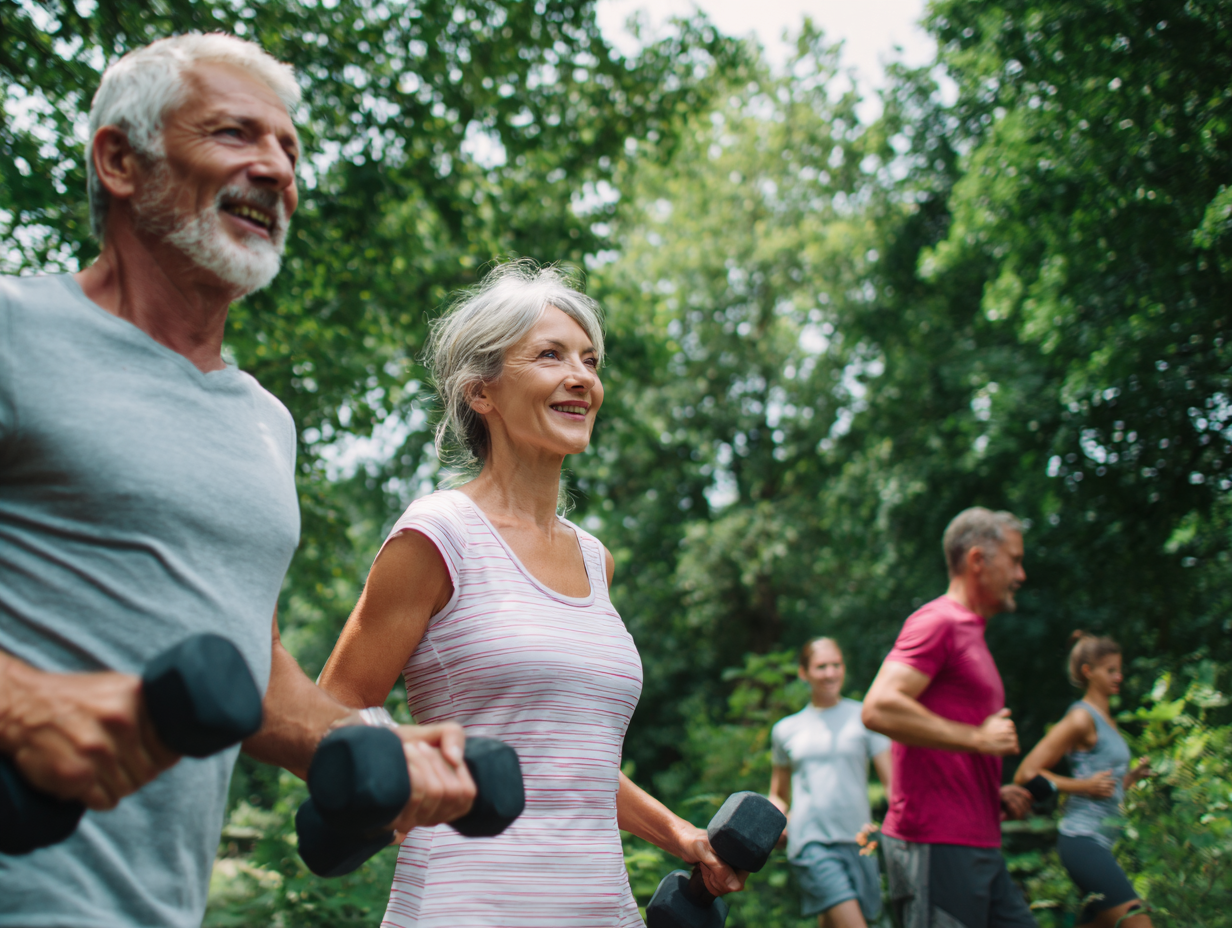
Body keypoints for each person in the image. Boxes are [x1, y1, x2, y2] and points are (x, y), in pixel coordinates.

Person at [0, 34, 473, 928]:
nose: (276, 171)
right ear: (120, 160)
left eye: (290, 152)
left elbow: (249, 674)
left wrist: (375, 747)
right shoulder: (16, 332)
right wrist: (19, 701)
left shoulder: (263, 423)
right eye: (235, 136)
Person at [316, 261, 747, 926]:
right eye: (550, 355)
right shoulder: (437, 535)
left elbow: (572, 764)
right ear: (481, 392)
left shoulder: (594, 559)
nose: (582, 377)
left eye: (591, 360)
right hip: (468, 902)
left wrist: (680, 834)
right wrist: (406, 784)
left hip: (600, 905)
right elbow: (331, 711)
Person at [862, 507, 1037, 928]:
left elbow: (944, 736)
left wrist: (989, 792)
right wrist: (978, 739)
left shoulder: (971, 632)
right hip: (934, 842)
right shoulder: (938, 621)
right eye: (1014, 560)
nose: (1021, 574)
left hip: (978, 840)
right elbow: (879, 707)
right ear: (978, 560)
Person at [1014, 633, 1152, 928]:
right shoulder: (1081, 718)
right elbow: (1027, 772)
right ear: (1088, 672)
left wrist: (1130, 778)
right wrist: (1082, 786)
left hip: (1102, 841)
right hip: (1082, 840)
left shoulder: (1107, 720)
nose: (1119, 676)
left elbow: (1106, 788)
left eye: (1119, 669)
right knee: (1138, 922)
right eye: (1110, 670)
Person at [769, 637, 893, 928]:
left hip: (860, 842)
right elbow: (778, 793)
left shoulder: (866, 718)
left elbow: (893, 786)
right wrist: (774, 821)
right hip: (811, 842)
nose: (830, 673)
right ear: (804, 672)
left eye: (836, 665)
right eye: (821, 666)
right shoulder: (786, 729)